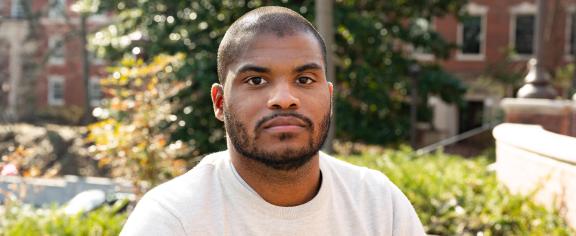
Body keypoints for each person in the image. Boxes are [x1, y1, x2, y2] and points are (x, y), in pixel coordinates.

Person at [121, 6, 426, 236]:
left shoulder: (379, 205)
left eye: (305, 79)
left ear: (329, 97)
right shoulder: (172, 219)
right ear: (219, 102)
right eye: (256, 80)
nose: (284, 98)